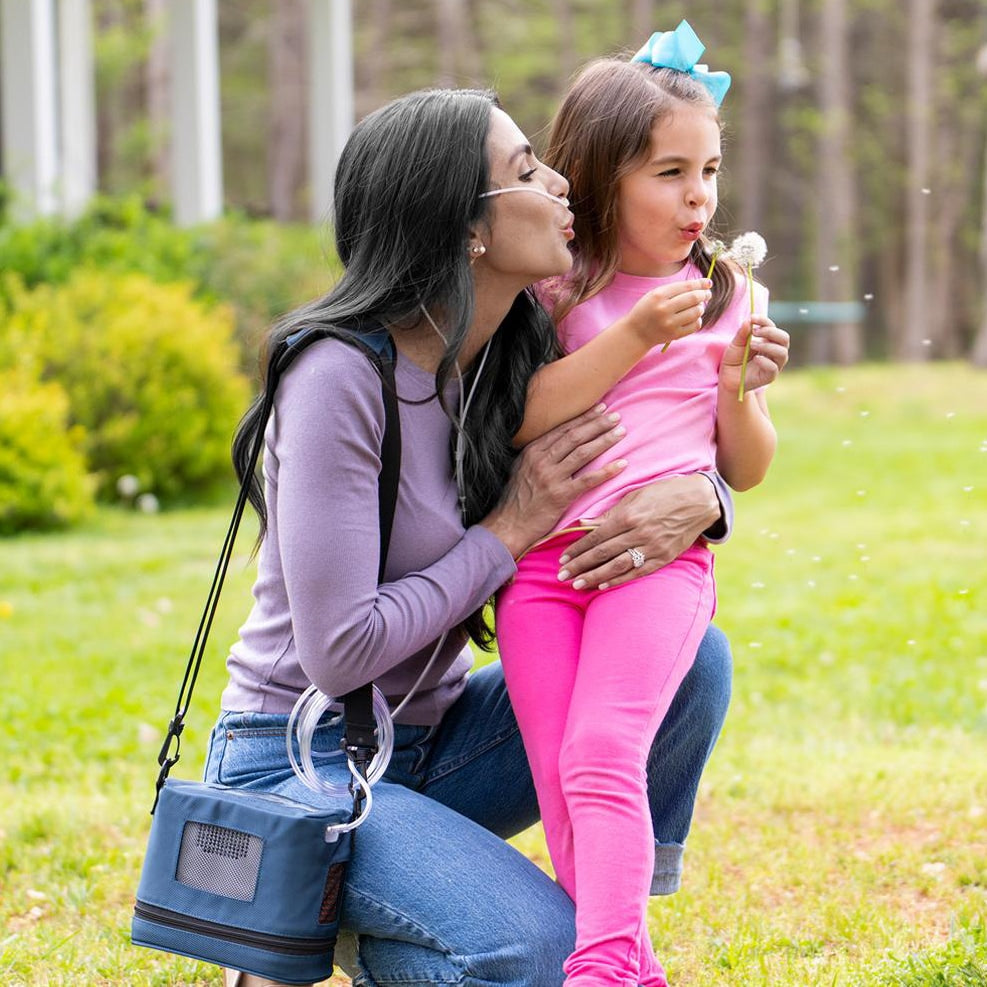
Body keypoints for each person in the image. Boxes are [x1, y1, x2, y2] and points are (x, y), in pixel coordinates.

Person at [209, 86, 734, 987]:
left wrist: (709, 495)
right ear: (466, 231)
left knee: (695, 660)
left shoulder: (508, 358)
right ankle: (327, 899)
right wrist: (505, 531)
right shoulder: (341, 375)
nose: (563, 182)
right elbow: (338, 653)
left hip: (430, 743)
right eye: (526, 169)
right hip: (297, 761)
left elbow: (654, 437)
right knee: (534, 950)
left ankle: (417, 905)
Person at [494, 22, 791, 987]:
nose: (697, 194)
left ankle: (604, 965)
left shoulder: (722, 294)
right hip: (542, 571)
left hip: (657, 566)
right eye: (668, 171)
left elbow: (743, 469)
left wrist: (738, 388)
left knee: (600, 749)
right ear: (600, 176)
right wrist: (628, 342)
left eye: (707, 168)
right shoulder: (553, 290)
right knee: (560, 777)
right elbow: (513, 421)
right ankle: (625, 963)